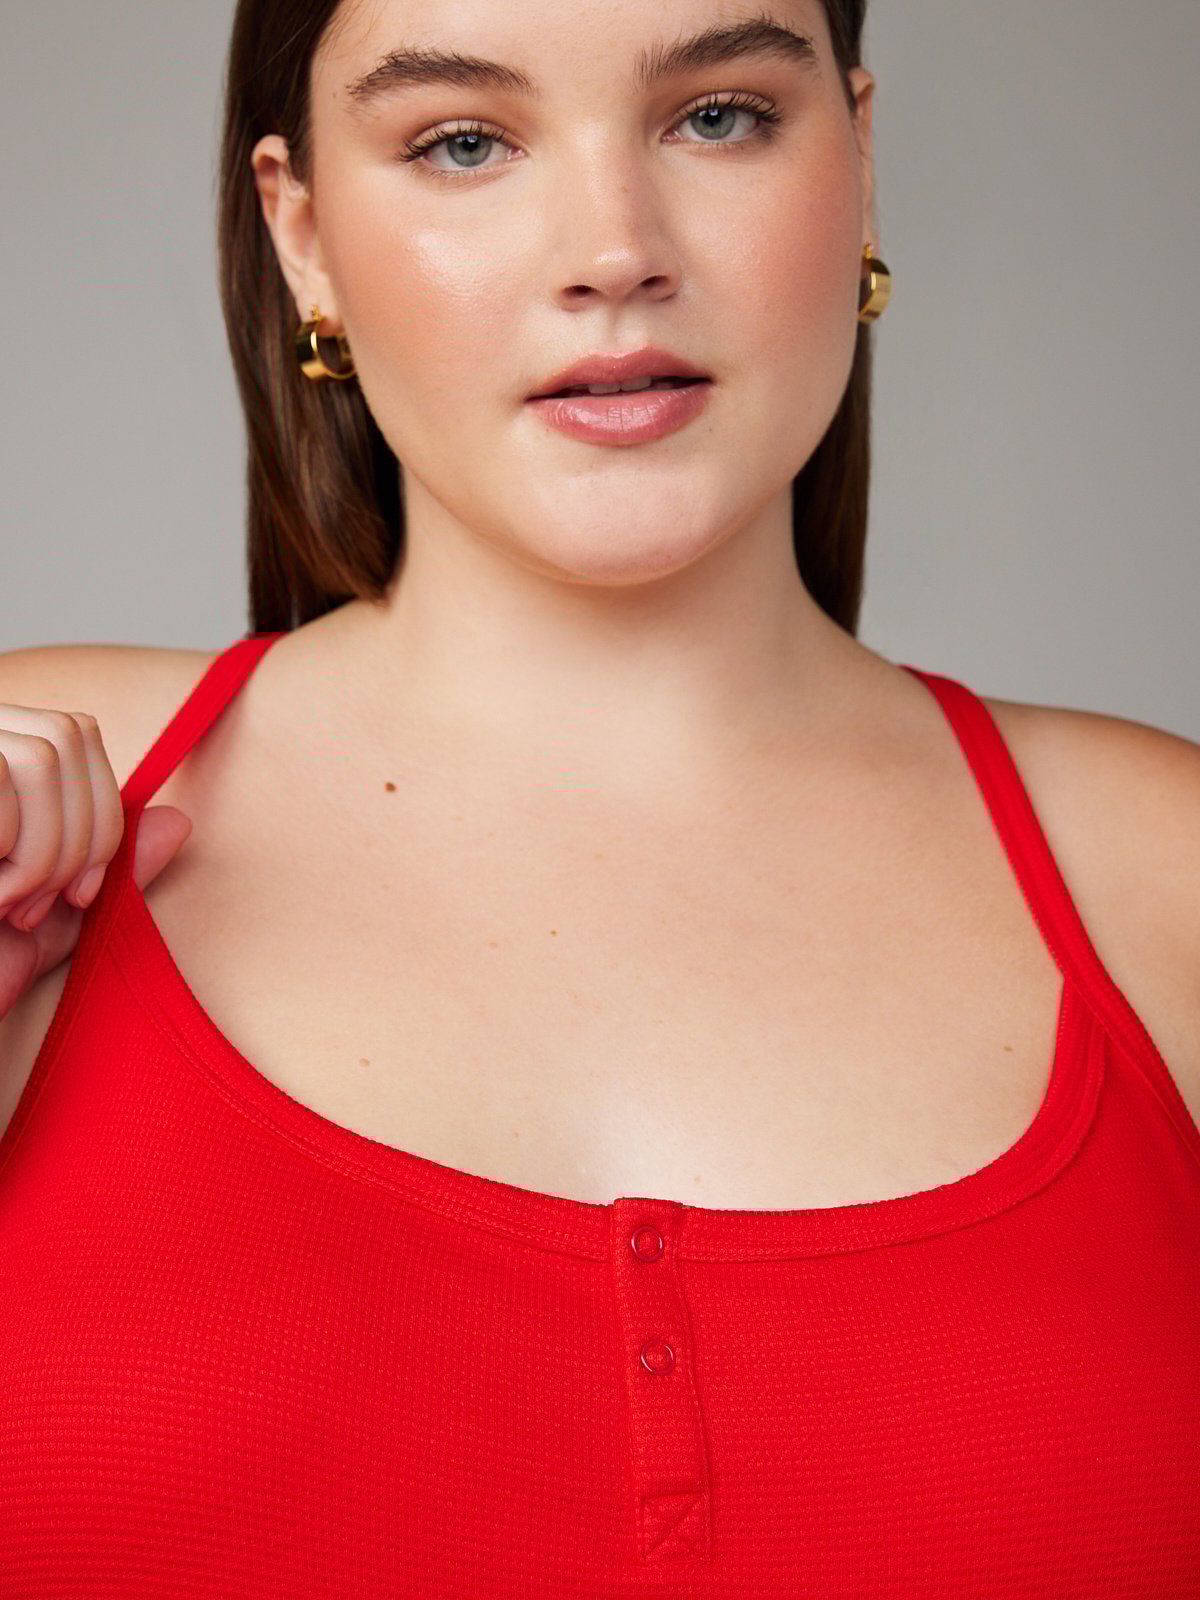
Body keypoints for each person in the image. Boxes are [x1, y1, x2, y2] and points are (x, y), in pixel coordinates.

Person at [1, 1, 1198, 1591]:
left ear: (859, 161)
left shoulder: (1165, 879)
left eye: (718, 117)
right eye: (463, 142)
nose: (614, 252)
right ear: (302, 235)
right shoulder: (33, 814)